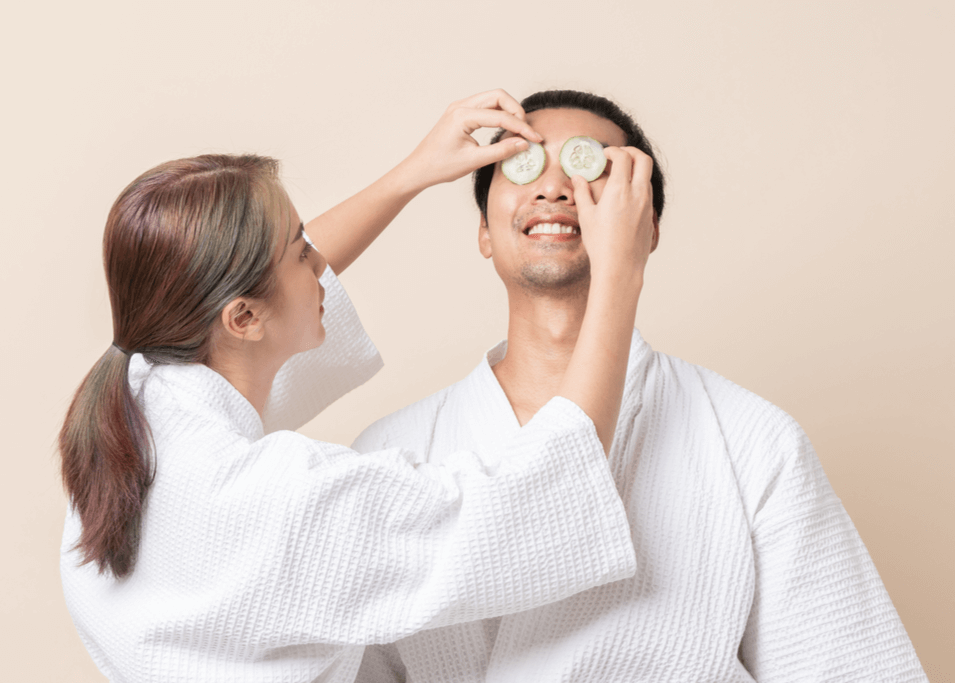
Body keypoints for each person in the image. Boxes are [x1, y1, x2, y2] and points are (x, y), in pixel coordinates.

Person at [58, 90, 657, 682]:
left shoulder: (141, 410)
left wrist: (413, 174)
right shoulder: (282, 505)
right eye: (301, 255)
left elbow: (239, 280)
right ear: (242, 318)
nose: (320, 263)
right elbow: (535, 508)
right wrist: (618, 273)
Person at [352, 90, 927, 682]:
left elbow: (846, 668)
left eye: (590, 167)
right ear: (484, 232)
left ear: (644, 228)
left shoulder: (752, 440)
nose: (554, 188)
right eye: (523, 166)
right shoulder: (391, 451)